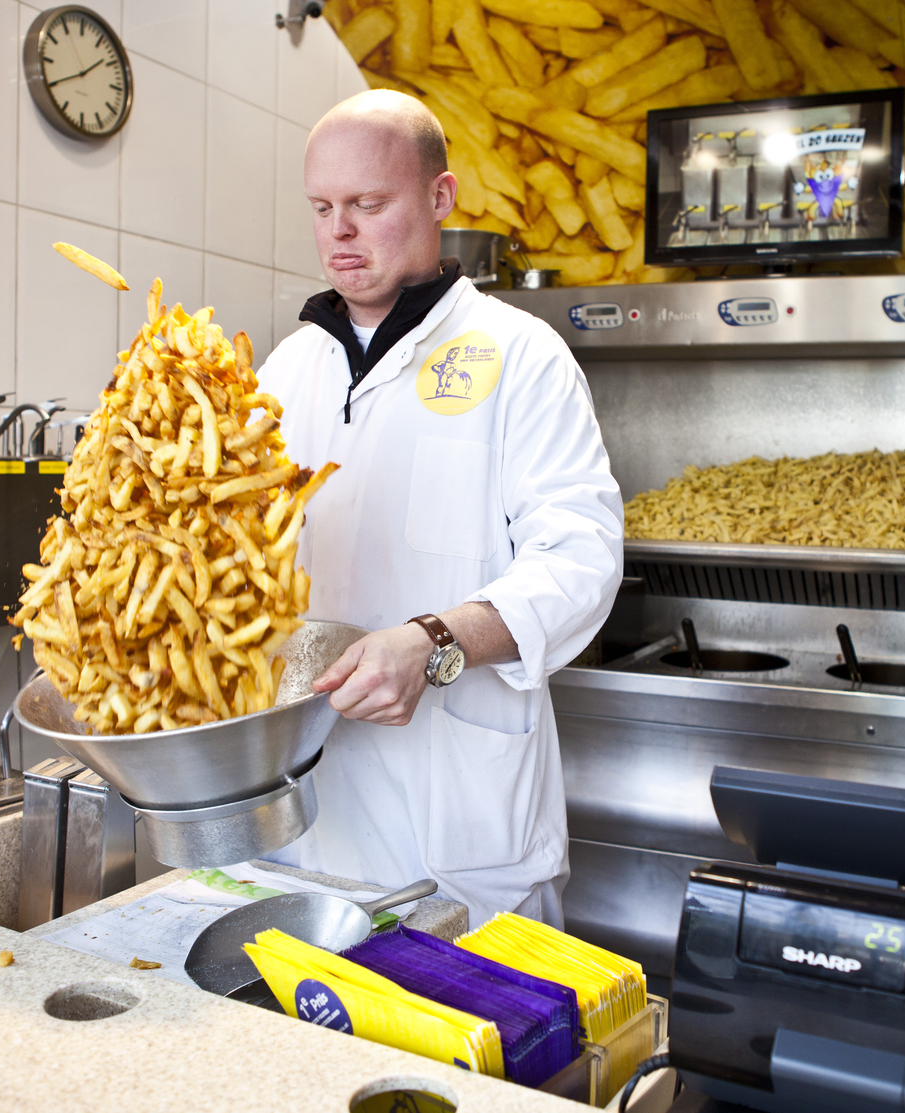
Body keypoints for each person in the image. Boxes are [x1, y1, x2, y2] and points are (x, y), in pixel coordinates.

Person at [255, 91, 623, 928]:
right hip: (301, 828)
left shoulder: (522, 356)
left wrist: (435, 642)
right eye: (322, 207)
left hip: (460, 834)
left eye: (368, 204)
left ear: (439, 199)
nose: (339, 232)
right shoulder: (283, 370)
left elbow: (582, 560)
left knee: (471, 1058)